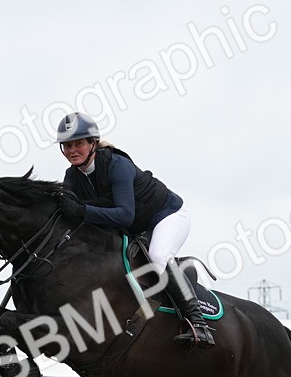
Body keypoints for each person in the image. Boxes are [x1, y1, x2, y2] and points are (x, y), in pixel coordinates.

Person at [55, 111, 214, 349]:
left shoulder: (117, 165)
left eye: (78, 143)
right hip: (136, 228)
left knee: (160, 256)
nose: (72, 150)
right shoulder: (72, 176)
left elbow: (124, 215)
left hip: (167, 216)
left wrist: (81, 211)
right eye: (67, 145)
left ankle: (199, 324)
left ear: (93, 144)